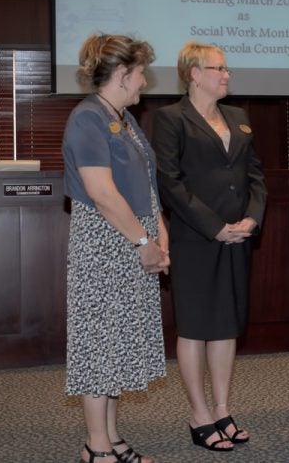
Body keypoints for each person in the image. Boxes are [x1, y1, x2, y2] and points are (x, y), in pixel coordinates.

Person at [151, 41, 267, 452]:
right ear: (193, 74)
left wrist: (252, 218)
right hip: (196, 238)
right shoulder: (170, 119)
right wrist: (215, 227)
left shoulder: (238, 117)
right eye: (217, 68)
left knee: (226, 323)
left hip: (238, 235)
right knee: (197, 325)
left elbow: (255, 176)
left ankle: (221, 408)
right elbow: (170, 182)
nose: (226, 74)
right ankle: (198, 413)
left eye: (226, 68)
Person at [62, 34, 170, 463]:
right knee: (97, 345)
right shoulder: (86, 119)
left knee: (116, 345)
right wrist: (143, 240)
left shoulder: (123, 118)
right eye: (140, 73)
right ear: (122, 74)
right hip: (106, 243)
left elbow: (146, 184)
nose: (144, 82)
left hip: (132, 238)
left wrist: (159, 233)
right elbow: (101, 192)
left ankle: (109, 436)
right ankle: (96, 446)